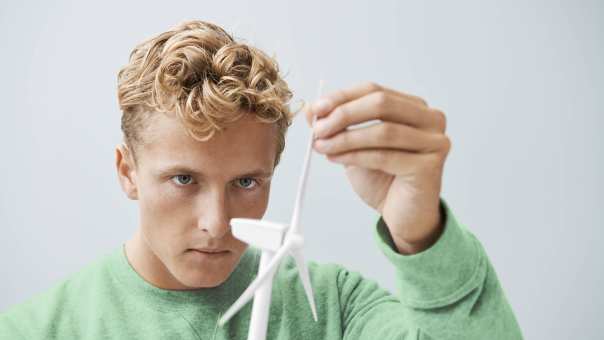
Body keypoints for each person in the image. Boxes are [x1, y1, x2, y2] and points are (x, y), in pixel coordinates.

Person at [0, 20, 523, 339]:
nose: (218, 223)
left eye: (247, 183)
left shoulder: (336, 308)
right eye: (183, 179)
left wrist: (422, 235)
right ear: (127, 172)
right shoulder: (35, 331)